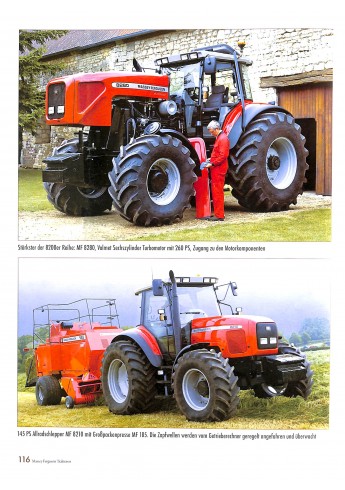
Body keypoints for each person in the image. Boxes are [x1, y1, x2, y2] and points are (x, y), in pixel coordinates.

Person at [204, 120, 230, 221]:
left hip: (218, 169)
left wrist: (212, 163)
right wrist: (210, 160)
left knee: (217, 192)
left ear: (217, 129)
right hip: (216, 168)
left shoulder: (222, 139)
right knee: (216, 191)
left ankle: (219, 215)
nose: (211, 133)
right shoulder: (220, 138)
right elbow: (218, 154)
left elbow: (223, 156)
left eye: (211, 131)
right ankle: (218, 214)